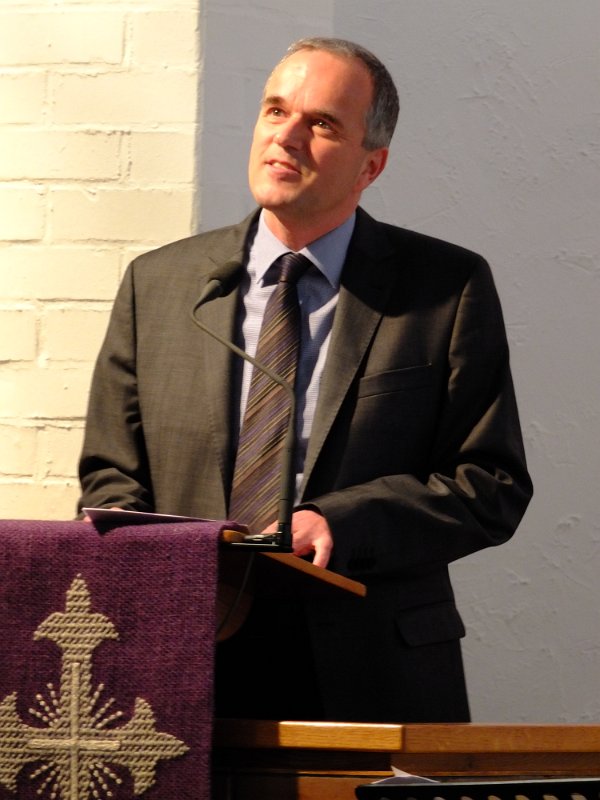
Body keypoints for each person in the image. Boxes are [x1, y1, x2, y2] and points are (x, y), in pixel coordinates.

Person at [78, 37, 533, 722]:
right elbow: (111, 479)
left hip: (371, 665)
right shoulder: (160, 284)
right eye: (275, 111)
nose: (286, 137)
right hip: (182, 663)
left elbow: (490, 484)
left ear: (371, 165)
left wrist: (340, 521)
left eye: (321, 123)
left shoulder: (444, 289)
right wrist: (165, 576)